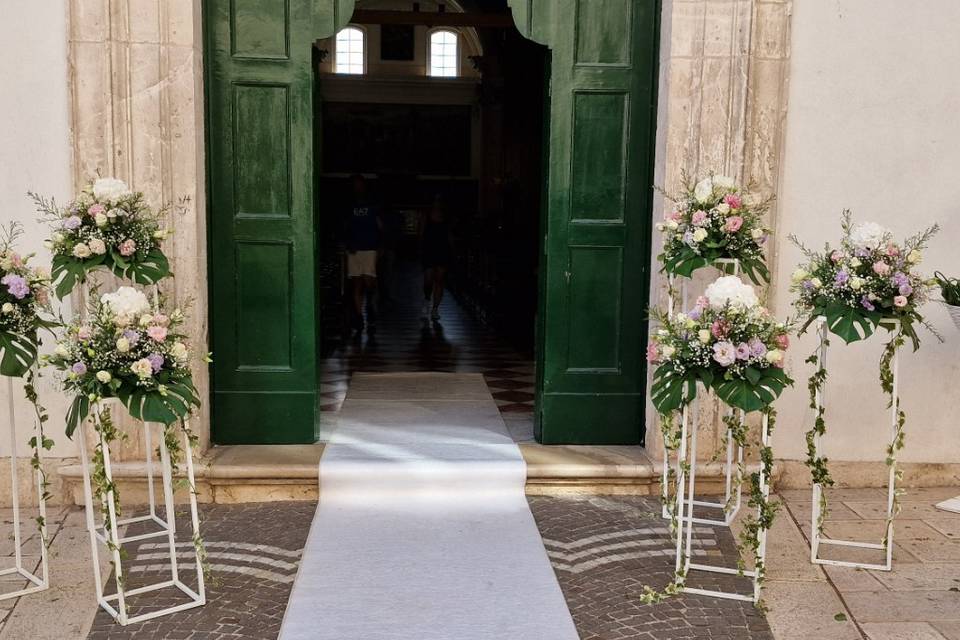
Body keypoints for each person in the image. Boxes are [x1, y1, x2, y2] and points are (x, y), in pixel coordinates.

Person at [344, 174, 381, 333]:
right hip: (354, 248)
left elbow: (380, 225)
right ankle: (359, 316)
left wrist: (381, 246)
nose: (358, 187)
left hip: (370, 248)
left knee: (369, 282)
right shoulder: (348, 205)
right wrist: (346, 243)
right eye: (355, 184)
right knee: (357, 283)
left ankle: (371, 304)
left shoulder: (373, 204)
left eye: (360, 184)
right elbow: (344, 226)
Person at [420, 195, 453, 321]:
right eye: (435, 201)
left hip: (443, 251)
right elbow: (421, 234)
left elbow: (449, 234)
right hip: (429, 250)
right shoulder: (426, 216)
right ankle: (427, 299)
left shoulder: (446, 217)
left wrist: (453, 250)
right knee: (428, 280)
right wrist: (420, 249)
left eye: (439, 201)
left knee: (439, 280)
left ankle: (435, 309)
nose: (437, 203)